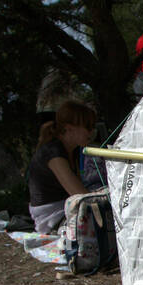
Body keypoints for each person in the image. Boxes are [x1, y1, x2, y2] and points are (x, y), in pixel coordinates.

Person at [27, 100, 96, 233]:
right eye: (88, 127)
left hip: (64, 209)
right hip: (51, 218)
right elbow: (79, 194)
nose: (92, 131)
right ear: (69, 128)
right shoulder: (54, 152)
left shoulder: (74, 150)